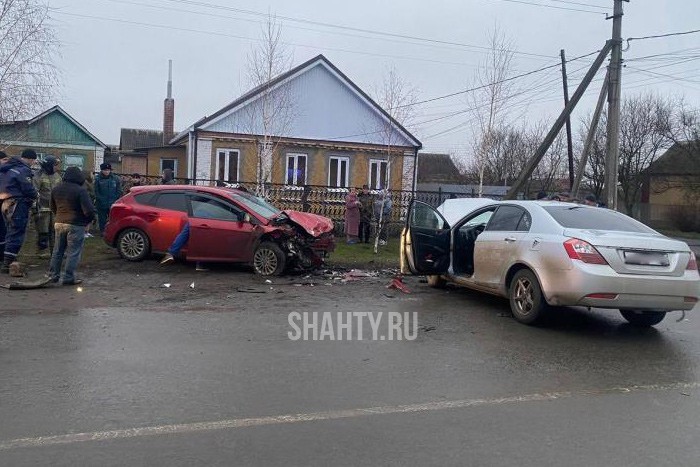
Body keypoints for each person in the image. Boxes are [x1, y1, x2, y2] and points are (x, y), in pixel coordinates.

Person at [47, 167, 95, 285]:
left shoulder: (56, 189)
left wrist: (59, 216)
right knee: (73, 252)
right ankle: (68, 278)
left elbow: (52, 206)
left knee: (57, 251)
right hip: (76, 224)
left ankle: (53, 276)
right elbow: (88, 210)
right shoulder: (80, 190)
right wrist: (87, 221)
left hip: (59, 222)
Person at [0, 149, 39, 274]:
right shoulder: (23, 169)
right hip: (18, 203)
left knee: (9, 231)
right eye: (33, 161)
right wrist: (35, 194)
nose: (33, 164)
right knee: (17, 231)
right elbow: (27, 187)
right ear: (30, 159)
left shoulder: (7, 169)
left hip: (5, 203)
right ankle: (8, 263)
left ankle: (6, 259)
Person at [33, 156, 62, 256]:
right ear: (49, 166)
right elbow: (34, 192)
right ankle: (42, 252)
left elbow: (61, 189)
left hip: (55, 209)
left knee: (55, 231)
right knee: (43, 232)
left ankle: (55, 251)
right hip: (42, 209)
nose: (56, 168)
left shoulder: (57, 176)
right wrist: (35, 208)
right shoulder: (38, 176)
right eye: (55, 165)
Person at [94, 162, 121, 234]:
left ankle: (112, 232)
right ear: (102, 170)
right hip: (101, 203)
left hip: (112, 203)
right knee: (102, 219)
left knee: (113, 219)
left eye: (108, 170)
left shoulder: (115, 179)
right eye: (105, 170)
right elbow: (96, 191)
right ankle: (103, 232)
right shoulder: (97, 179)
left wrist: (115, 199)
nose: (107, 171)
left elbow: (118, 190)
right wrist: (100, 199)